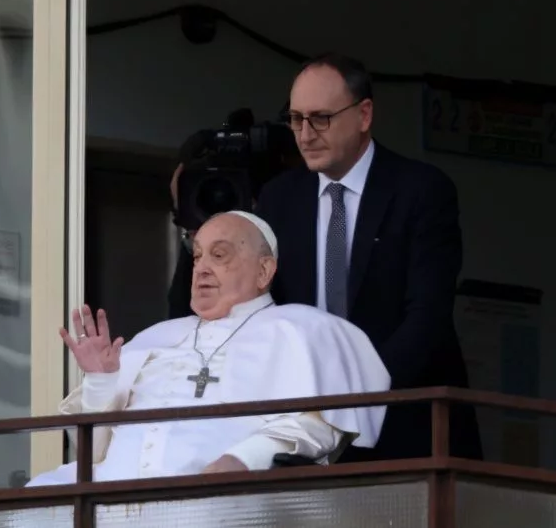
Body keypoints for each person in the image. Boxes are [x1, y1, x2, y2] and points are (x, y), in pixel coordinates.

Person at [168, 53, 482, 462]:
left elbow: (427, 317)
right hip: (304, 431)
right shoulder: (281, 197)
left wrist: (353, 399)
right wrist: (191, 226)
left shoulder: (421, 190)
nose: (305, 134)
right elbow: (224, 308)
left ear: (364, 115)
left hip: (406, 424)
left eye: (321, 118)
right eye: (296, 119)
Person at [26, 211, 390, 487]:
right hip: (111, 500)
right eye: (197, 255)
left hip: (223, 503)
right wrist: (101, 382)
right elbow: (92, 449)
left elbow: (319, 426)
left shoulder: (302, 329)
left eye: (219, 255)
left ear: (264, 271)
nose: (200, 268)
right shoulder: (158, 336)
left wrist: (244, 459)